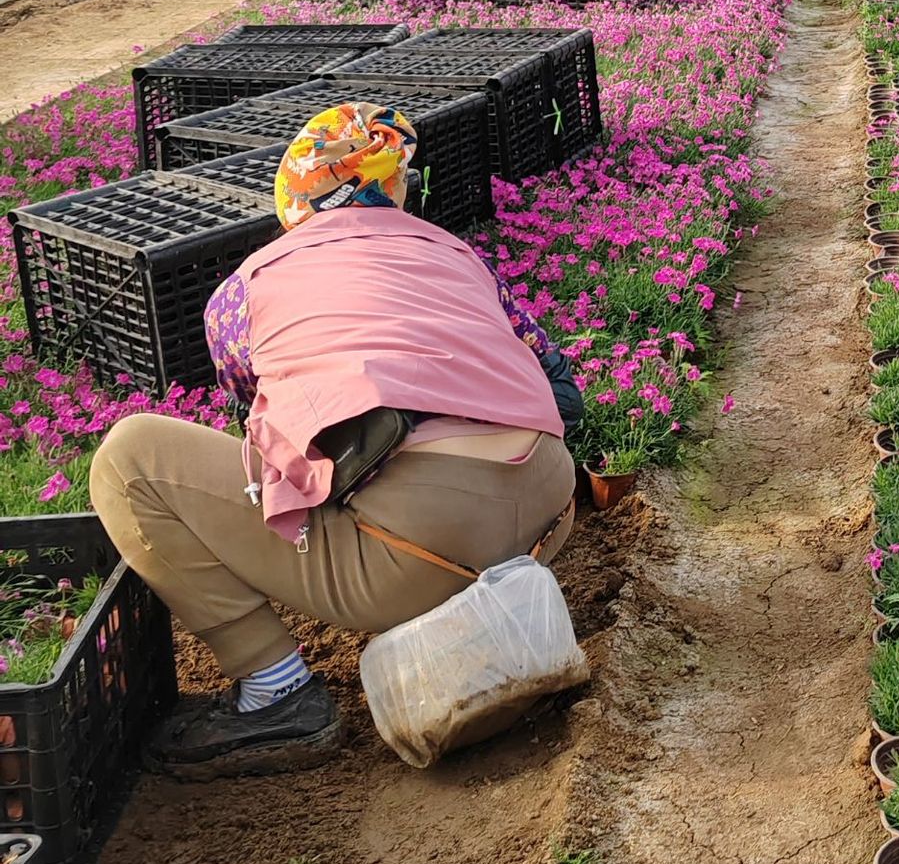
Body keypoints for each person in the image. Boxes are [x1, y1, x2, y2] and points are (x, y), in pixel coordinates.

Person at [91, 101, 584, 780]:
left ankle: (275, 694)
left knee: (128, 458)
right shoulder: (456, 254)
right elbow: (561, 386)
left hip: (416, 556)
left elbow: (272, 444)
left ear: (293, 197)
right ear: (395, 189)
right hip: (547, 518)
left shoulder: (246, 289)